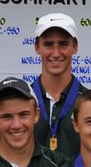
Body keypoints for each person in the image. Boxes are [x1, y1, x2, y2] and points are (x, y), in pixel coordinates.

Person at [31, 12, 86, 157]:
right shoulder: (23, 99)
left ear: (75, 47)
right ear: (37, 47)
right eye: (48, 44)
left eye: (63, 44)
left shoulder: (89, 102)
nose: (56, 53)